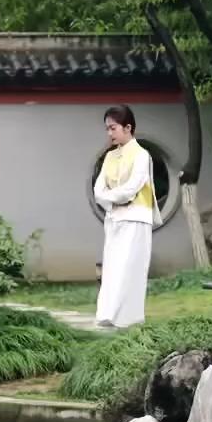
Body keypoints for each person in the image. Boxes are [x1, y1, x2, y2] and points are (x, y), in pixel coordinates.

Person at [93, 105, 159, 328]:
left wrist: (110, 198)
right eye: (107, 129)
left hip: (136, 218)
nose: (109, 133)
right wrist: (112, 200)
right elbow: (98, 190)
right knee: (112, 267)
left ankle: (128, 318)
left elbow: (132, 188)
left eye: (113, 128)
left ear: (128, 127)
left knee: (130, 268)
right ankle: (108, 314)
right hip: (114, 218)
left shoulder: (141, 155)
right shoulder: (109, 157)